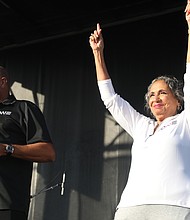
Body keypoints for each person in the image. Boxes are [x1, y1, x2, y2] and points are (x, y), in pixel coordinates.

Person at [89, 2, 190, 220]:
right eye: (152, 95)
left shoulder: (185, 122)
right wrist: (98, 53)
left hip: (173, 207)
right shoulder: (141, 126)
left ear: (178, 101)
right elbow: (110, 99)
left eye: (163, 93)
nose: (156, 98)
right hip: (130, 208)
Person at [0, 66, 56, 220]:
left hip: (7, 205)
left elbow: (48, 152)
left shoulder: (23, 108)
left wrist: (7, 148)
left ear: (2, 81)